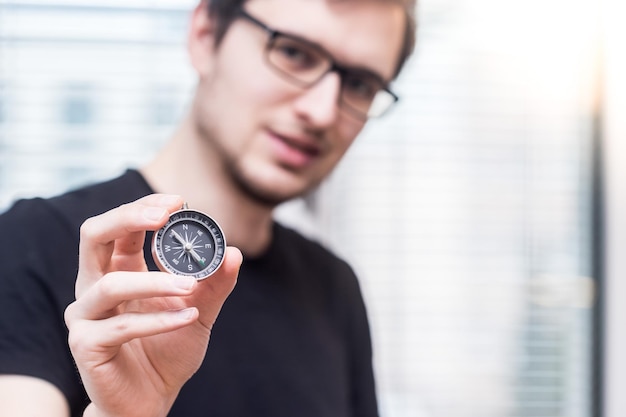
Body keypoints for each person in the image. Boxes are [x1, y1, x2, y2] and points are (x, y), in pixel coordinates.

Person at [0, 0, 416, 415]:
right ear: (204, 36)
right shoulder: (28, 245)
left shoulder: (334, 289)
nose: (322, 112)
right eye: (294, 52)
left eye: (360, 85)